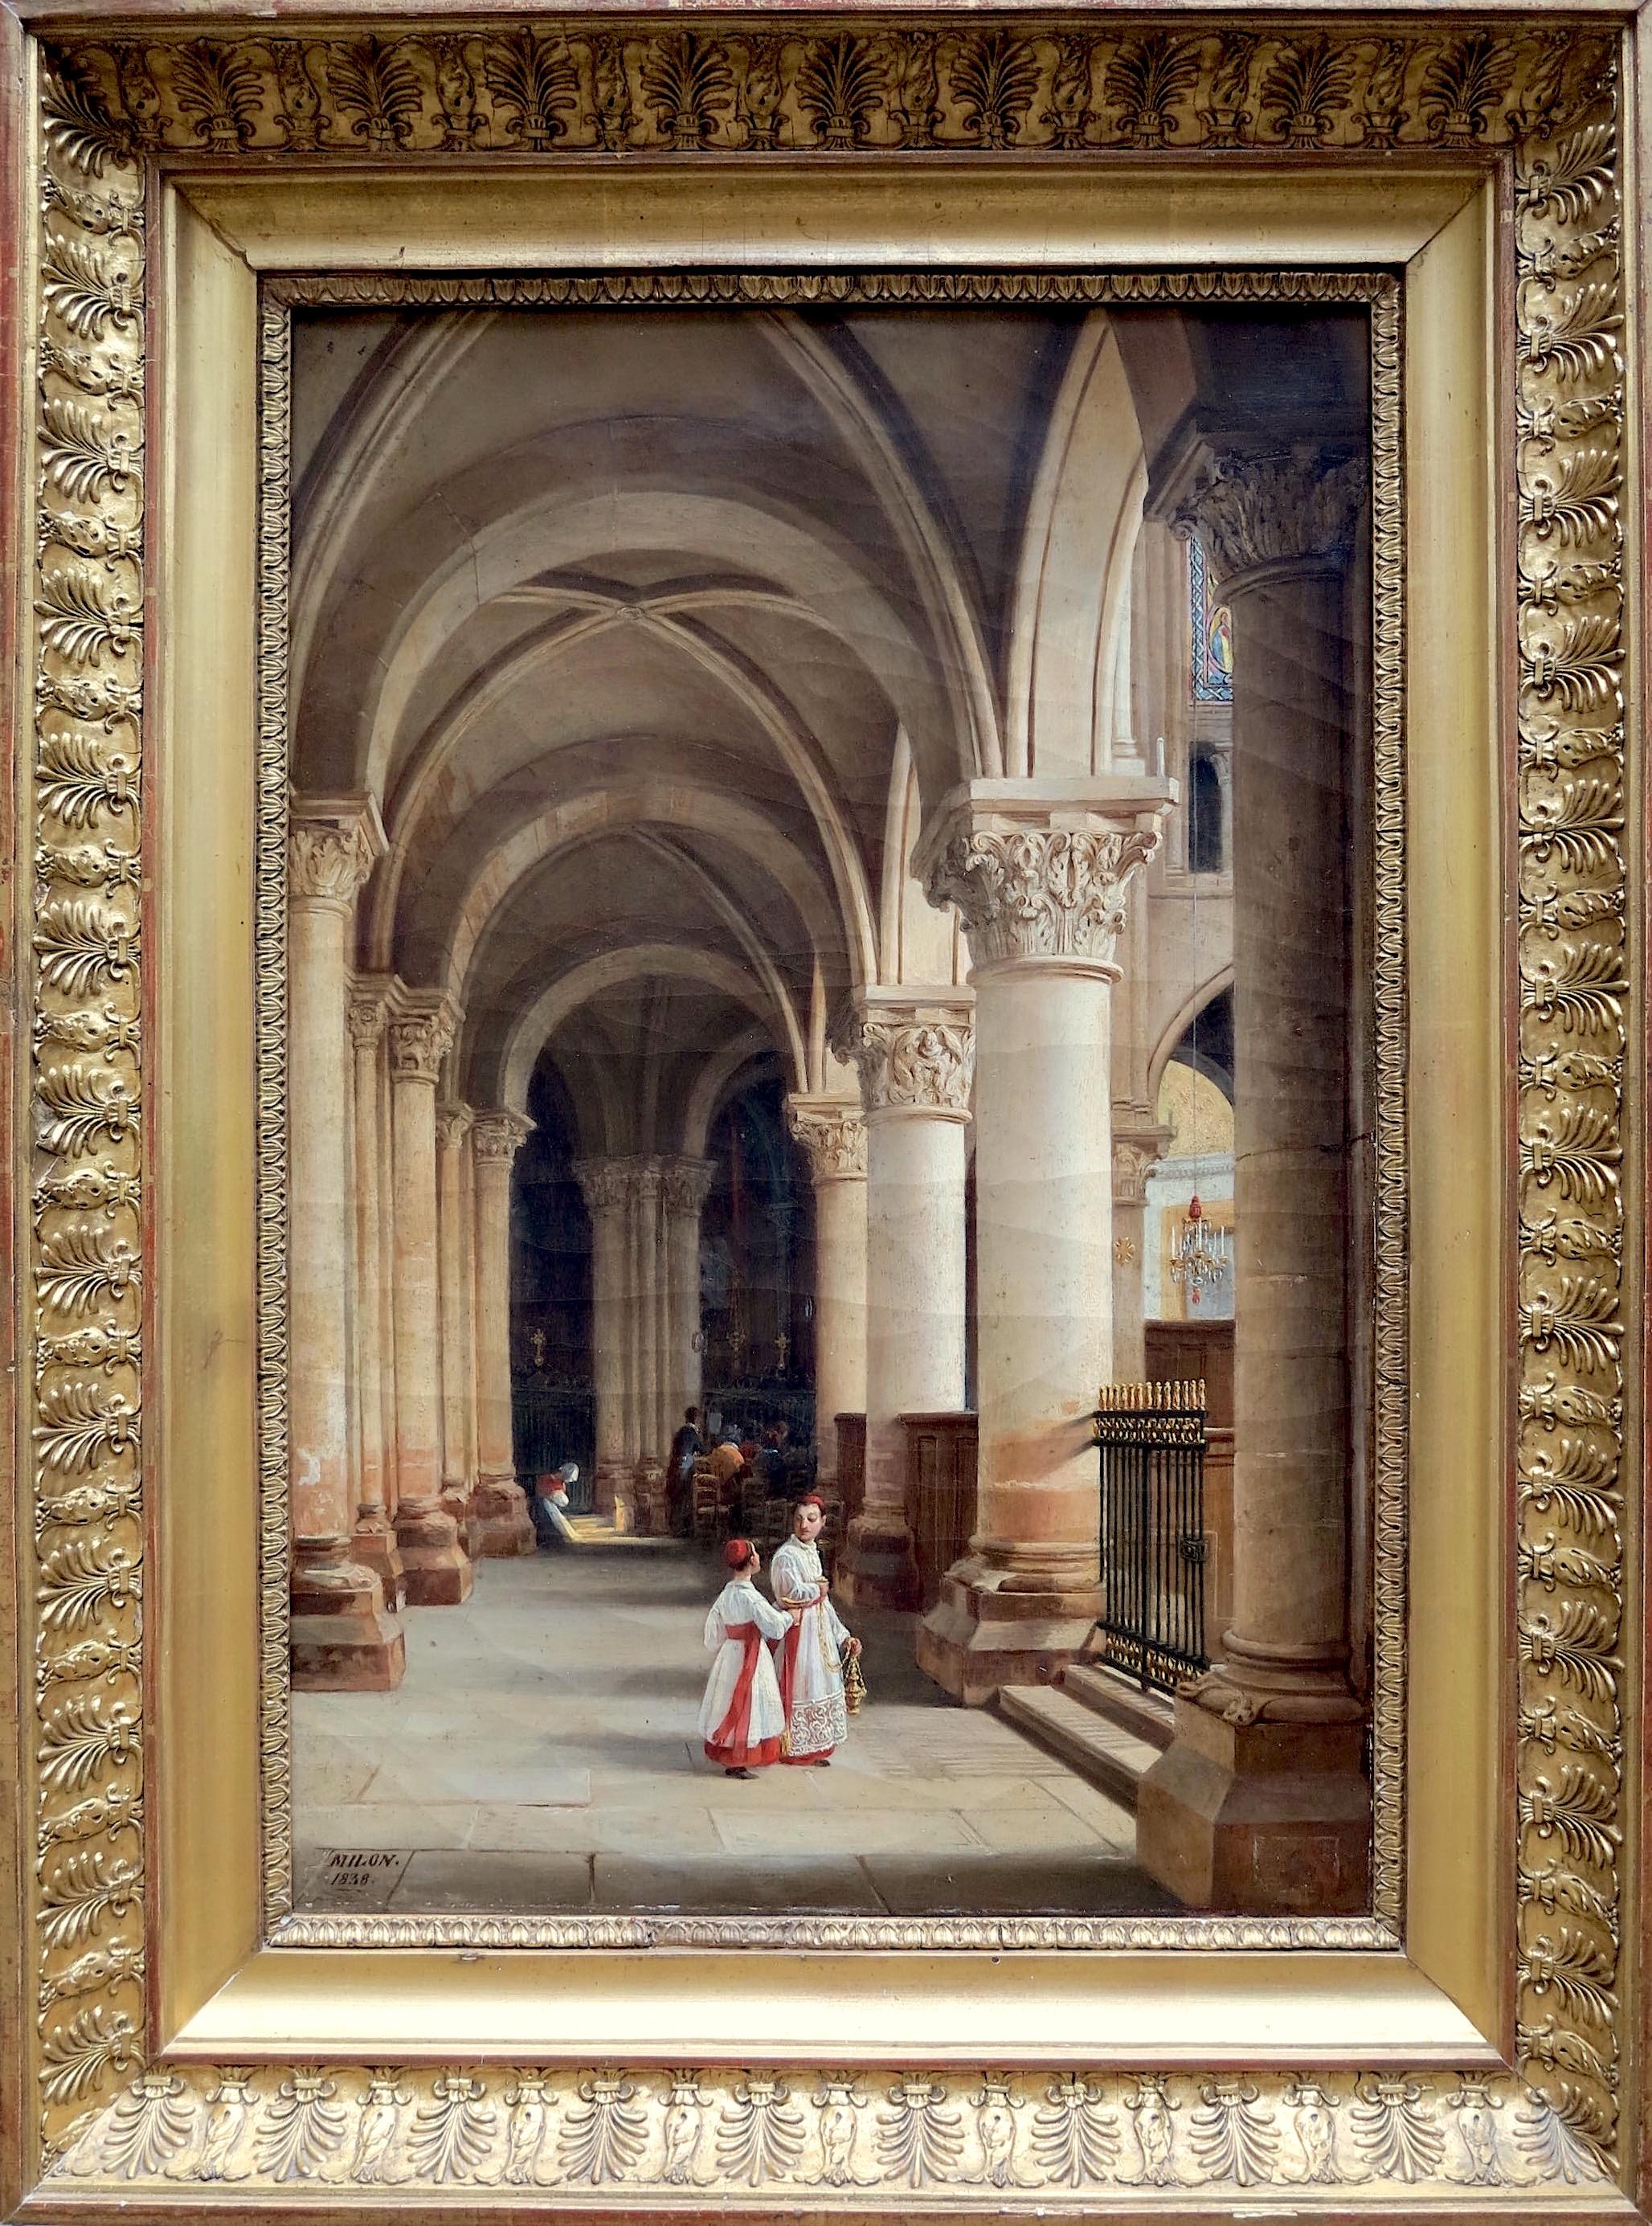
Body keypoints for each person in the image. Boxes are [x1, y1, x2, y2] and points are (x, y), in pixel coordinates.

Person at [769, 1496, 861, 1766]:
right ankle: (793, 1747)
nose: (804, 1525)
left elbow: (826, 1605)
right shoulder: (787, 1555)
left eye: (811, 1519)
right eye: (799, 1519)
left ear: (822, 1522)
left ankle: (814, 1746)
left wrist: (844, 1636)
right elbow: (787, 1593)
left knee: (818, 1683)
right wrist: (817, 1590)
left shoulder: (812, 1552)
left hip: (816, 1629)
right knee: (799, 1684)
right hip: (797, 1631)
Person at [698, 1539, 794, 1778]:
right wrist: (791, 1616)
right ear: (752, 1562)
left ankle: (733, 1755)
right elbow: (774, 1627)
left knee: (729, 1699)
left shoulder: (725, 1596)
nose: (759, 1557)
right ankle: (741, 1758)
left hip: (730, 1656)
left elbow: (712, 1638)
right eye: (757, 1554)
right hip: (750, 1656)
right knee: (750, 1702)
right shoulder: (751, 1597)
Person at [666, 1406, 702, 1537]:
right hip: (686, 1467)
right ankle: (682, 1528)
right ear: (695, 1418)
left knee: (678, 1498)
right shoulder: (691, 1432)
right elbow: (699, 1449)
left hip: (678, 1466)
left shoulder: (681, 1431)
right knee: (685, 1497)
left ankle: (677, 1527)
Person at [530, 1464, 579, 1550]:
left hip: (555, 1506)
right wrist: (548, 1495)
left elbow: (562, 1497)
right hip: (542, 1504)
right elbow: (539, 1491)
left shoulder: (562, 1483)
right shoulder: (545, 1479)